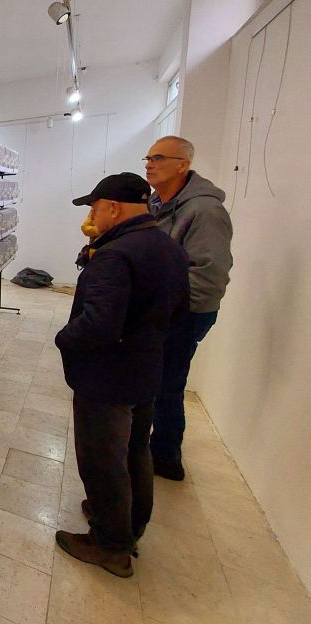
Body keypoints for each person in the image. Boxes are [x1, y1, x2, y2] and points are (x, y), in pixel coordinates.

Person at [54, 173, 189, 577]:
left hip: (108, 377)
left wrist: (64, 338)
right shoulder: (166, 245)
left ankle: (110, 545)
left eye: (94, 208)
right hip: (145, 368)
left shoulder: (115, 255)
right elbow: (181, 309)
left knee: (102, 459)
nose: (91, 217)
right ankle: (130, 525)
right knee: (135, 450)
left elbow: (98, 324)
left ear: (112, 208)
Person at [144, 136, 233, 481]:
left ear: (183, 165)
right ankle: (156, 448)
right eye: (148, 158)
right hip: (163, 308)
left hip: (185, 313)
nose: (150, 164)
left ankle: (166, 458)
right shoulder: (158, 203)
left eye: (159, 158)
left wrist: (167, 310)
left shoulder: (205, 211)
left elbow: (208, 276)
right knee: (157, 378)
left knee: (167, 382)